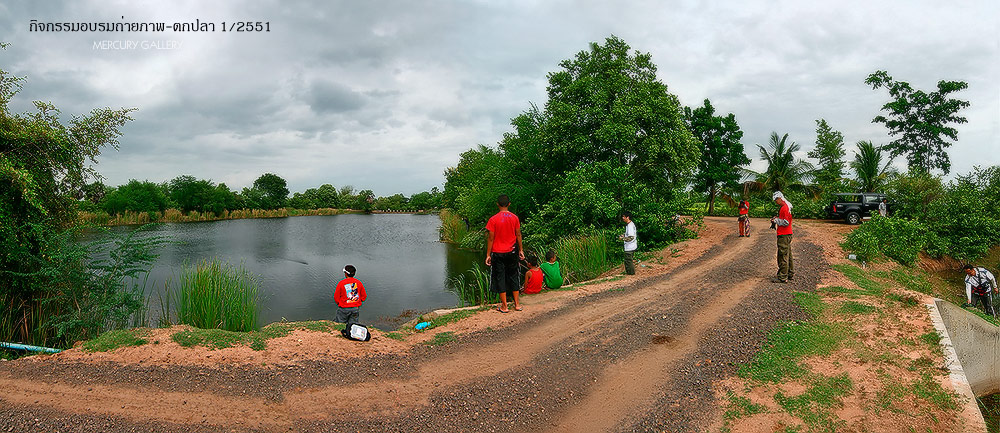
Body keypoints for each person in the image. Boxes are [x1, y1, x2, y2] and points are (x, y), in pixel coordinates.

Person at [485, 194, 524, 313]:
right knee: (514, 276)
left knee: (500, 277)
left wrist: (488, 255)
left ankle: (504, 306)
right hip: (512, 251)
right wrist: (521, 250)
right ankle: (517, 304)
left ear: (497, 204)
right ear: (509, 204)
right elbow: (518, 235)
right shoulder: (514, 218)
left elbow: (491, 238)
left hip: (498, 253)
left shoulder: (493, 219)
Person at [770, 191, 794, 283]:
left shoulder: (784, 208)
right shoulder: (787, 206)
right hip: (788, 233)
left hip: (783, 234)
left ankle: (782, 277)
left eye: (776, 199)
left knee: (782, 255)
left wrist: (776, 220)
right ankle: (790, 273)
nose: (776, 201)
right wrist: (778, 219)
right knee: (788, 255)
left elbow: (785, 222)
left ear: (780, 198)